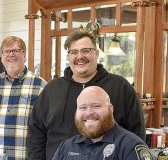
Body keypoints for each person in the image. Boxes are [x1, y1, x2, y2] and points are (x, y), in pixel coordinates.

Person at [27, 31, 146, 160]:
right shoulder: (51, 89)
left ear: (96, 53)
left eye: (86, 50)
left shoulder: (120, 86)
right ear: (68, 56)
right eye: (74, 52)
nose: (80, 56)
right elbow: (36, 134)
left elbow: (136, 132)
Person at [0, 36, 47, 160]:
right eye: (6, 51)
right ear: (1, 57)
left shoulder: (40, 85)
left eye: (16, 51)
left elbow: (46, 126)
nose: (11, 54)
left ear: (24, 55)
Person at [52, 86, 154, 160]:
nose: (89, 112)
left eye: (96, 106)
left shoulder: (130, 147)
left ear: (111, 109)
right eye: (82, 107)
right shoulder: (66, 147)